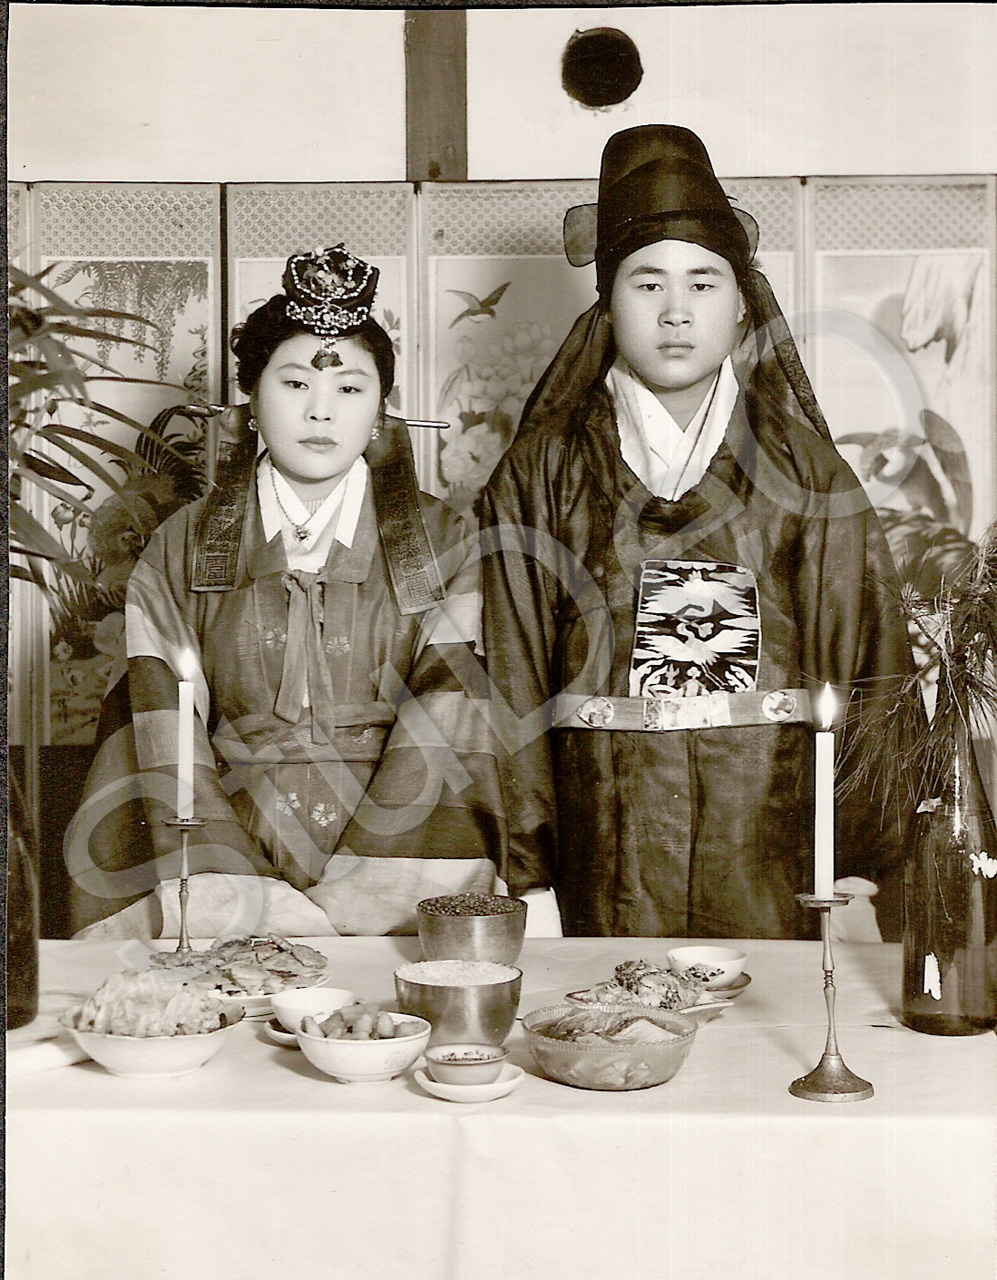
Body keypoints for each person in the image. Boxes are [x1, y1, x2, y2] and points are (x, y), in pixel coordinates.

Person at [479, 125, 915, 939]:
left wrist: (860, 869)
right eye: (646, 283)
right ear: (607, 301)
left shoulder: (810, 476)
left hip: (772, 861)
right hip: (599, 863)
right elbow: (508, 683)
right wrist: (526, 876)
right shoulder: (538, 474)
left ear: (742, 303)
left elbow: (870, 674)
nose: (675, 312)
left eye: (703, 283)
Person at [67, 244, 505, 939]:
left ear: (381, 408)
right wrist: (239, 889)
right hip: (225, 842)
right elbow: (160, 719)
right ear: (251, 398)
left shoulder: (444, 541)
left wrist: (366, 893)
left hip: (397, 849)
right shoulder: (182, 545)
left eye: (350, 389)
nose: (320, 413)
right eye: (296, 383)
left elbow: (448, 717)